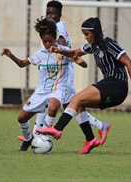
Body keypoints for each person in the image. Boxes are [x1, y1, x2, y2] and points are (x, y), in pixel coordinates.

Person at [37, 17, 131, 154]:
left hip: (116, 85)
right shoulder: (93, 46)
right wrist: (58, 50)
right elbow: (74, 52)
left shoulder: (108, 44)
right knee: (78, 104)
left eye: (87, 34)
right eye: (84, 34)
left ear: (95, 32)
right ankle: (91, 139)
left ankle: (57, 129)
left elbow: (128, 62)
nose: (86, 38)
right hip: (110, 86)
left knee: (76, 98)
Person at [30, 0, 111, 145]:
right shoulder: (53, 27)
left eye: (53, 13)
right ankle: (98, 129)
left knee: (59, 102)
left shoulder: (58, 27)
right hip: (61, 72)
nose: (50, 16)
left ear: (60, 14)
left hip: (62, 74)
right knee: (71, 106)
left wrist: (53, 58)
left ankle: (38, 135)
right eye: (48, 13)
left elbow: (61, 45)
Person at [0, 17, 86, 151]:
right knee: (21, 118)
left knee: (53, 105)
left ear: (55, 38)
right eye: (44, 41)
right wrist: (10, 55)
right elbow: (22, 64)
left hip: (59, 88)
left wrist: (81, 62)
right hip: (42, 90)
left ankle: (43, 135)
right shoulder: (40, 54)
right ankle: (28, 139)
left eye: (50, 41)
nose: (47, 44)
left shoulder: (64, 51)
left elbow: (82, 62)